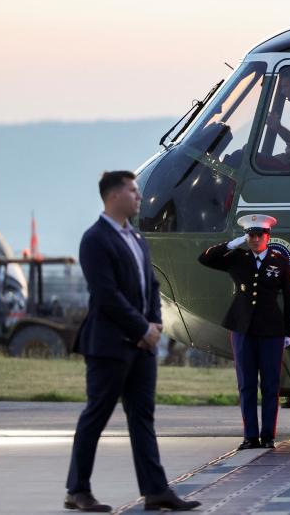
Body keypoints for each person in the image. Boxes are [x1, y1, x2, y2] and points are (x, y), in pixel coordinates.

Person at [65, 171, 199, 512]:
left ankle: (156, 491)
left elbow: (151, 287)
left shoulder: (136, 238)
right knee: (97, 414)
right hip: (110, 344)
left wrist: (153, 324)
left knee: (143, 417)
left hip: (142, 344)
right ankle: (77, 490)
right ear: (113, 197)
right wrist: (142, 328)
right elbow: (106, 295)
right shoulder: (94, 239)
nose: (139, 197)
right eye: (133, 191)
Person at [198, 214, 290, 450]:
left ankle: (268, 436)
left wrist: (289, 330)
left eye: (258, 235)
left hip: (271, 330)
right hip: (242, 328)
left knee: (271, 384)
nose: (254, 240)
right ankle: (250, 436)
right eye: (250, 235)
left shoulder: (280, 262)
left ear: (267, 237)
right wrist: (232, 244)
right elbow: (205, 259)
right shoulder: (237, 258)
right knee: (246, 383)